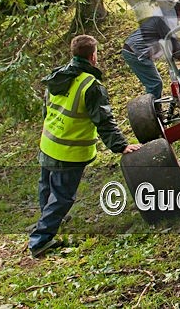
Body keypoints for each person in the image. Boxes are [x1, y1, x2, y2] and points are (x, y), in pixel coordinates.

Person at [30, 35, 141, 258]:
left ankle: (48, 220)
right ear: (93, 56)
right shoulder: (91, 86)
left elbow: (46, 110)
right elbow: (103, 120)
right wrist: (121, 146)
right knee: (62, 196)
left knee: (47, 188)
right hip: (68, 151)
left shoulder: (57, 77)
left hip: (48, 142)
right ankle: (40, 240)